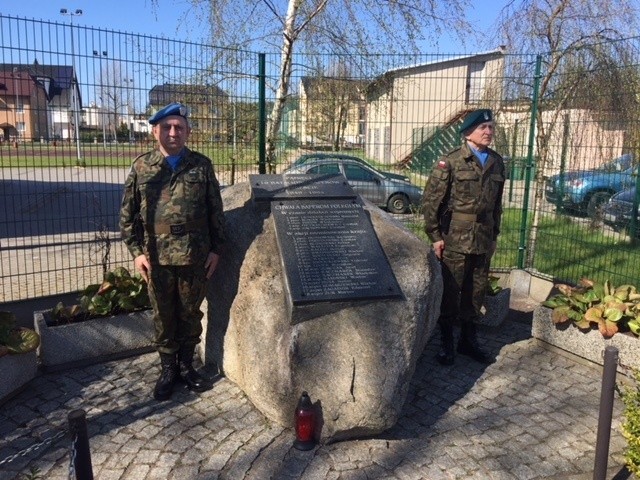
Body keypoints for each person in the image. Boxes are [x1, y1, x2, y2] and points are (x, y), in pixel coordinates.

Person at [119, 102, 226, 400]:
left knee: (190, 312)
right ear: (155, 131)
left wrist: (217, 249)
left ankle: (187, 366)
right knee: (164, 316)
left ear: (188, 131)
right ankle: (168, 371)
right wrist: (137, 253)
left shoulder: (201, 166)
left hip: (195, 256)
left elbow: (216, 210)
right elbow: (127, 218)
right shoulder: (142, 168)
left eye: (179, 127)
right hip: (157, 258)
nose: (173, 132)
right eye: (166, 127)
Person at [421, 109, 505, 366]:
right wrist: (435, 236)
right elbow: (431, 202)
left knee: (475, 292)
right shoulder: (452, 161)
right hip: (455, 239)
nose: (489, 132)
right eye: (484, 128)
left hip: (482, 238)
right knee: (451, 292)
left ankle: (468, 341)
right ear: (469, 132)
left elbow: (497, 204)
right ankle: (446, 343)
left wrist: (494, 236)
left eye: (491, 127)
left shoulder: (497, 162)